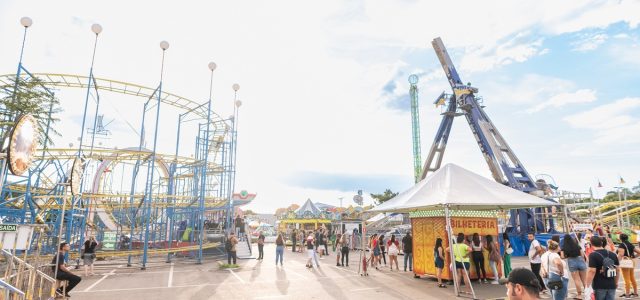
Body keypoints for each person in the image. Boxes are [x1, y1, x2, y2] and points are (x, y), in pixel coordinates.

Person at [586, 236, 620, 300]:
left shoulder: (593, 255)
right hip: (611, 284)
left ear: (591, 244)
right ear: (601, 243)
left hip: (599, 285)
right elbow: (617, 270)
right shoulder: (613, 254)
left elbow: (592, 271)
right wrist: (616, 282)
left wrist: (587, 285)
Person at [561, 233, 587, 299]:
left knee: (576, 280)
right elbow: (582, 254)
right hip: (580, 260)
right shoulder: (576, 245)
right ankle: (588, 294)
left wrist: (567, 256)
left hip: (571, 261)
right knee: (584, 280)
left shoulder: (564, 247)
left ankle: (579, 295)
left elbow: (562, 256)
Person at [617, 233, 640, 298]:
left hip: (625, 262)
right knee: (632, 277)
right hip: (631, 261)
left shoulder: (621, 245)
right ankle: (635, 293)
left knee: (626, 279)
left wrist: (617, 262)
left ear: (620, 238)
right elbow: (639, 252)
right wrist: (633, 257)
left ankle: (627, 294)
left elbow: (621, 254)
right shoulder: (630, 244)